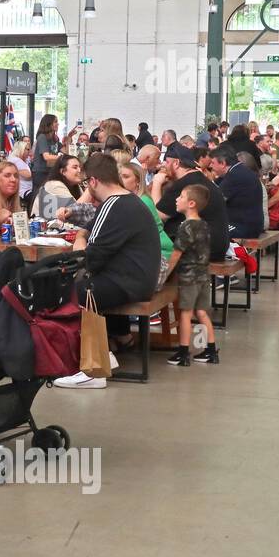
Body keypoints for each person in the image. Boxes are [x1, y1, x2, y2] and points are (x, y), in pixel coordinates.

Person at [53, 153, 162, 390]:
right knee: (75, 284)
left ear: (92, 182)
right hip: (139, 278)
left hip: (127, 281)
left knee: (68, 291)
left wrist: (74, 255)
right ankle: (104, 355)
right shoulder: (130, 201)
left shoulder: (112, 205)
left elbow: (91, 257)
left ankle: (91, 369)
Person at [166, 184, 219, 367]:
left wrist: (165, 273)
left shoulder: (186, 227)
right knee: (202, 312)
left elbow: (176, 253)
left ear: (191, 203)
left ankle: (183, 352)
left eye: (180, 196)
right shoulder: (203, 225)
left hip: (188, 277)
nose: (176, 199)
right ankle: (210, 350)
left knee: (186, 314)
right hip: (204, 274)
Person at [151, 143, 229, 260]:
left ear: (176, 163)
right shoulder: (198, 178)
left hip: (203, 249)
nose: (163, 165)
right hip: (218, 245)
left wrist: (156, 183)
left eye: (166, 162)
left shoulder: (183, 183)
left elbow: (158, 216)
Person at [120, 160, 173, 288]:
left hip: (161, 252)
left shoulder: (142, 201)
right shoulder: (135, 199)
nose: (121, 180)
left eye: (126, 176)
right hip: (152, 250)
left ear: (138, 181)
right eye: (119, 176)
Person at [211, 144, 265, 239]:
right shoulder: (238, 170)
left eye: (213, 163)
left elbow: (215, 202)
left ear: (223, 163)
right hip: (252, 224)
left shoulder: (234, 176)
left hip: (244, 227)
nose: (211, 166)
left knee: (204, 231)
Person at [38, 154, 84, 221]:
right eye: (75, 167)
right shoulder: (54, 185)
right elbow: (77, 210)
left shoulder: (76, 186)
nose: (79, 170)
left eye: (80, 167)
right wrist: (90, 190)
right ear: (63, 171)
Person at [30, 113, 67, 184]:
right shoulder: (42, 137)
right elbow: (46, 156)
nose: (58, 124)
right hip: (41, 172)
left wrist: (69, 138)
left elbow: (66, 151)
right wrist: (61, 157)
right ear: (49, 124)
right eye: (55, 122)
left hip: (50, 171)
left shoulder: (55, 139)